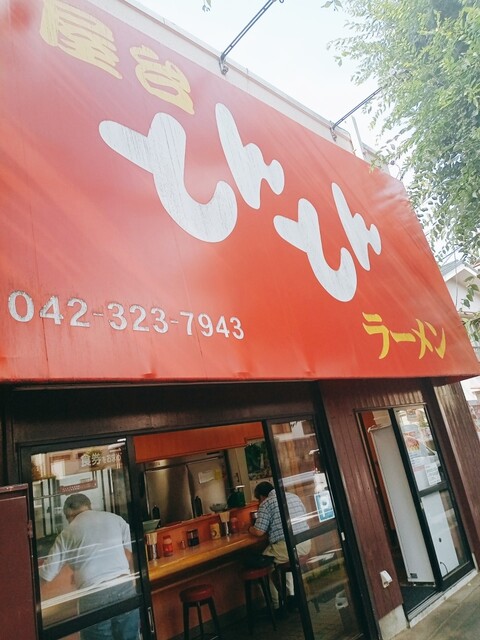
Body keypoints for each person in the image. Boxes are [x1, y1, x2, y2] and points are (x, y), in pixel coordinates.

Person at [39, 493, 140, 640]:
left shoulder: (67, 533)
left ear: (68, 516)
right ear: (89, 506)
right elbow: (131, 552)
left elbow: (46, 573)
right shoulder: (115, 519)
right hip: (124, 587)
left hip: (93, 595)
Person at [248, 481, 311, 609]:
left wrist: (249, 529)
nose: (259, 503)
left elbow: (259, 532)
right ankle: (290, 596)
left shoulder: (266, 503)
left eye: (258, 500)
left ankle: (277, 605)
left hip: (288, 547)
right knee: (284, 561)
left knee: (265, 564)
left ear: (262, 496)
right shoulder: (293, 496)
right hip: (305, 543)